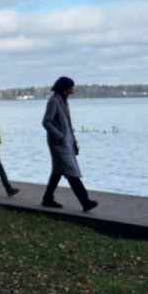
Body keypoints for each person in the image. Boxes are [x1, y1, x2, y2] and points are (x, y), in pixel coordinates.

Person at [41, 76, 98, 212]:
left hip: (65, 143)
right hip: (58, 144)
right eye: (71, 86)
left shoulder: (63, 101)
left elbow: (66, 123)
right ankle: (85, 202)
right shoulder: (54, 102)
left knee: (58, 172)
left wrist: (73, 140)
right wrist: (60, 136)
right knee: (72, 172)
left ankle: (47, 198)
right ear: (65, 88)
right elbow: (46, 122)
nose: (73, 89)